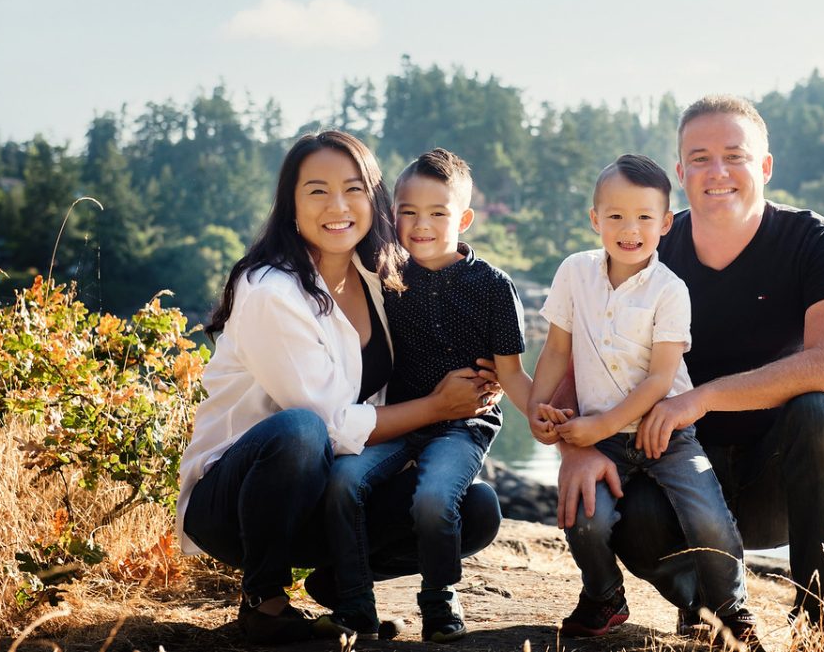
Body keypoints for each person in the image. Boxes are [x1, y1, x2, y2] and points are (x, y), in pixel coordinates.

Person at [556, 95, 824, 647]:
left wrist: (701, 397)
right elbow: (579, 355)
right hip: (669, 467)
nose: (716, 172)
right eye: (699, 158)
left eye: (734, 155)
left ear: (765, 167)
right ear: (680, 173)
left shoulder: (813, 241)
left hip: (778, 483)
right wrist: (576, 447)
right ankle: (703, 611)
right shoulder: (646, 247)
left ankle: (821, 622)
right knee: (622, 510)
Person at [176, 131, 504, 646]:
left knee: (475, 510)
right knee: (301, 431)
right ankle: (265, 604)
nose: (337, 206)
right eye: (317, 191)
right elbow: (328, 426)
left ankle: (340, 583)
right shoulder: (270, 288)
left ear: (374, 201)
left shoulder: (381, 277)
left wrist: (486, 378)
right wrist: (437, 405)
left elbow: (438, 336)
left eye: (353, 189)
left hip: (330, 498)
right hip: (240, 502)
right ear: (291, 203)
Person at [528, 154, 760, 647]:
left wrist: (602, 423)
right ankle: (604, 595)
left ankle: (729, 613)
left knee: (707, 519)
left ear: (665, 224)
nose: (628, 229)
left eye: (643, 218)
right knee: (584, 517)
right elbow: (556, 351)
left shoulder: (670, 290)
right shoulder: (574, 273)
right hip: (602, 436)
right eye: (615, 216)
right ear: (595, 220)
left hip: (667, 433)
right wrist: (537, 409)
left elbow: (659, 379)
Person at [328, 148, 532, 643]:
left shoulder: (493, 287)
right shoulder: (386, 275)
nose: (422, 225)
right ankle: (354, 606)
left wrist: (550, 421)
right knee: (342, 480)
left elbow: (513, 375)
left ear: (463, 218)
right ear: (392, 214)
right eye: (408, 212)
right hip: (400, 418)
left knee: (436, 498)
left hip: (464, 426)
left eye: (438, 213)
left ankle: (439, 598)